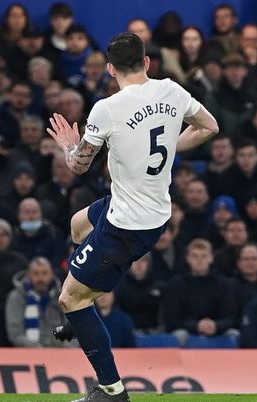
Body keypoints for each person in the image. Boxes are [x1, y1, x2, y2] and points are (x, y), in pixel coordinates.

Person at [46, 32, 218, 402]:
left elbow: (78, 166)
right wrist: (171, 146)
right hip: (150, 210)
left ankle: (112, 391)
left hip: (126, 225)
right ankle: (83, 312)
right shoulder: (172, 91)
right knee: (78, 223)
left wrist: (66, 147)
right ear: (147, 63)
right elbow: (209, 127)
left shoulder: (107, 109)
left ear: (110, 69)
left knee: (70, 300)